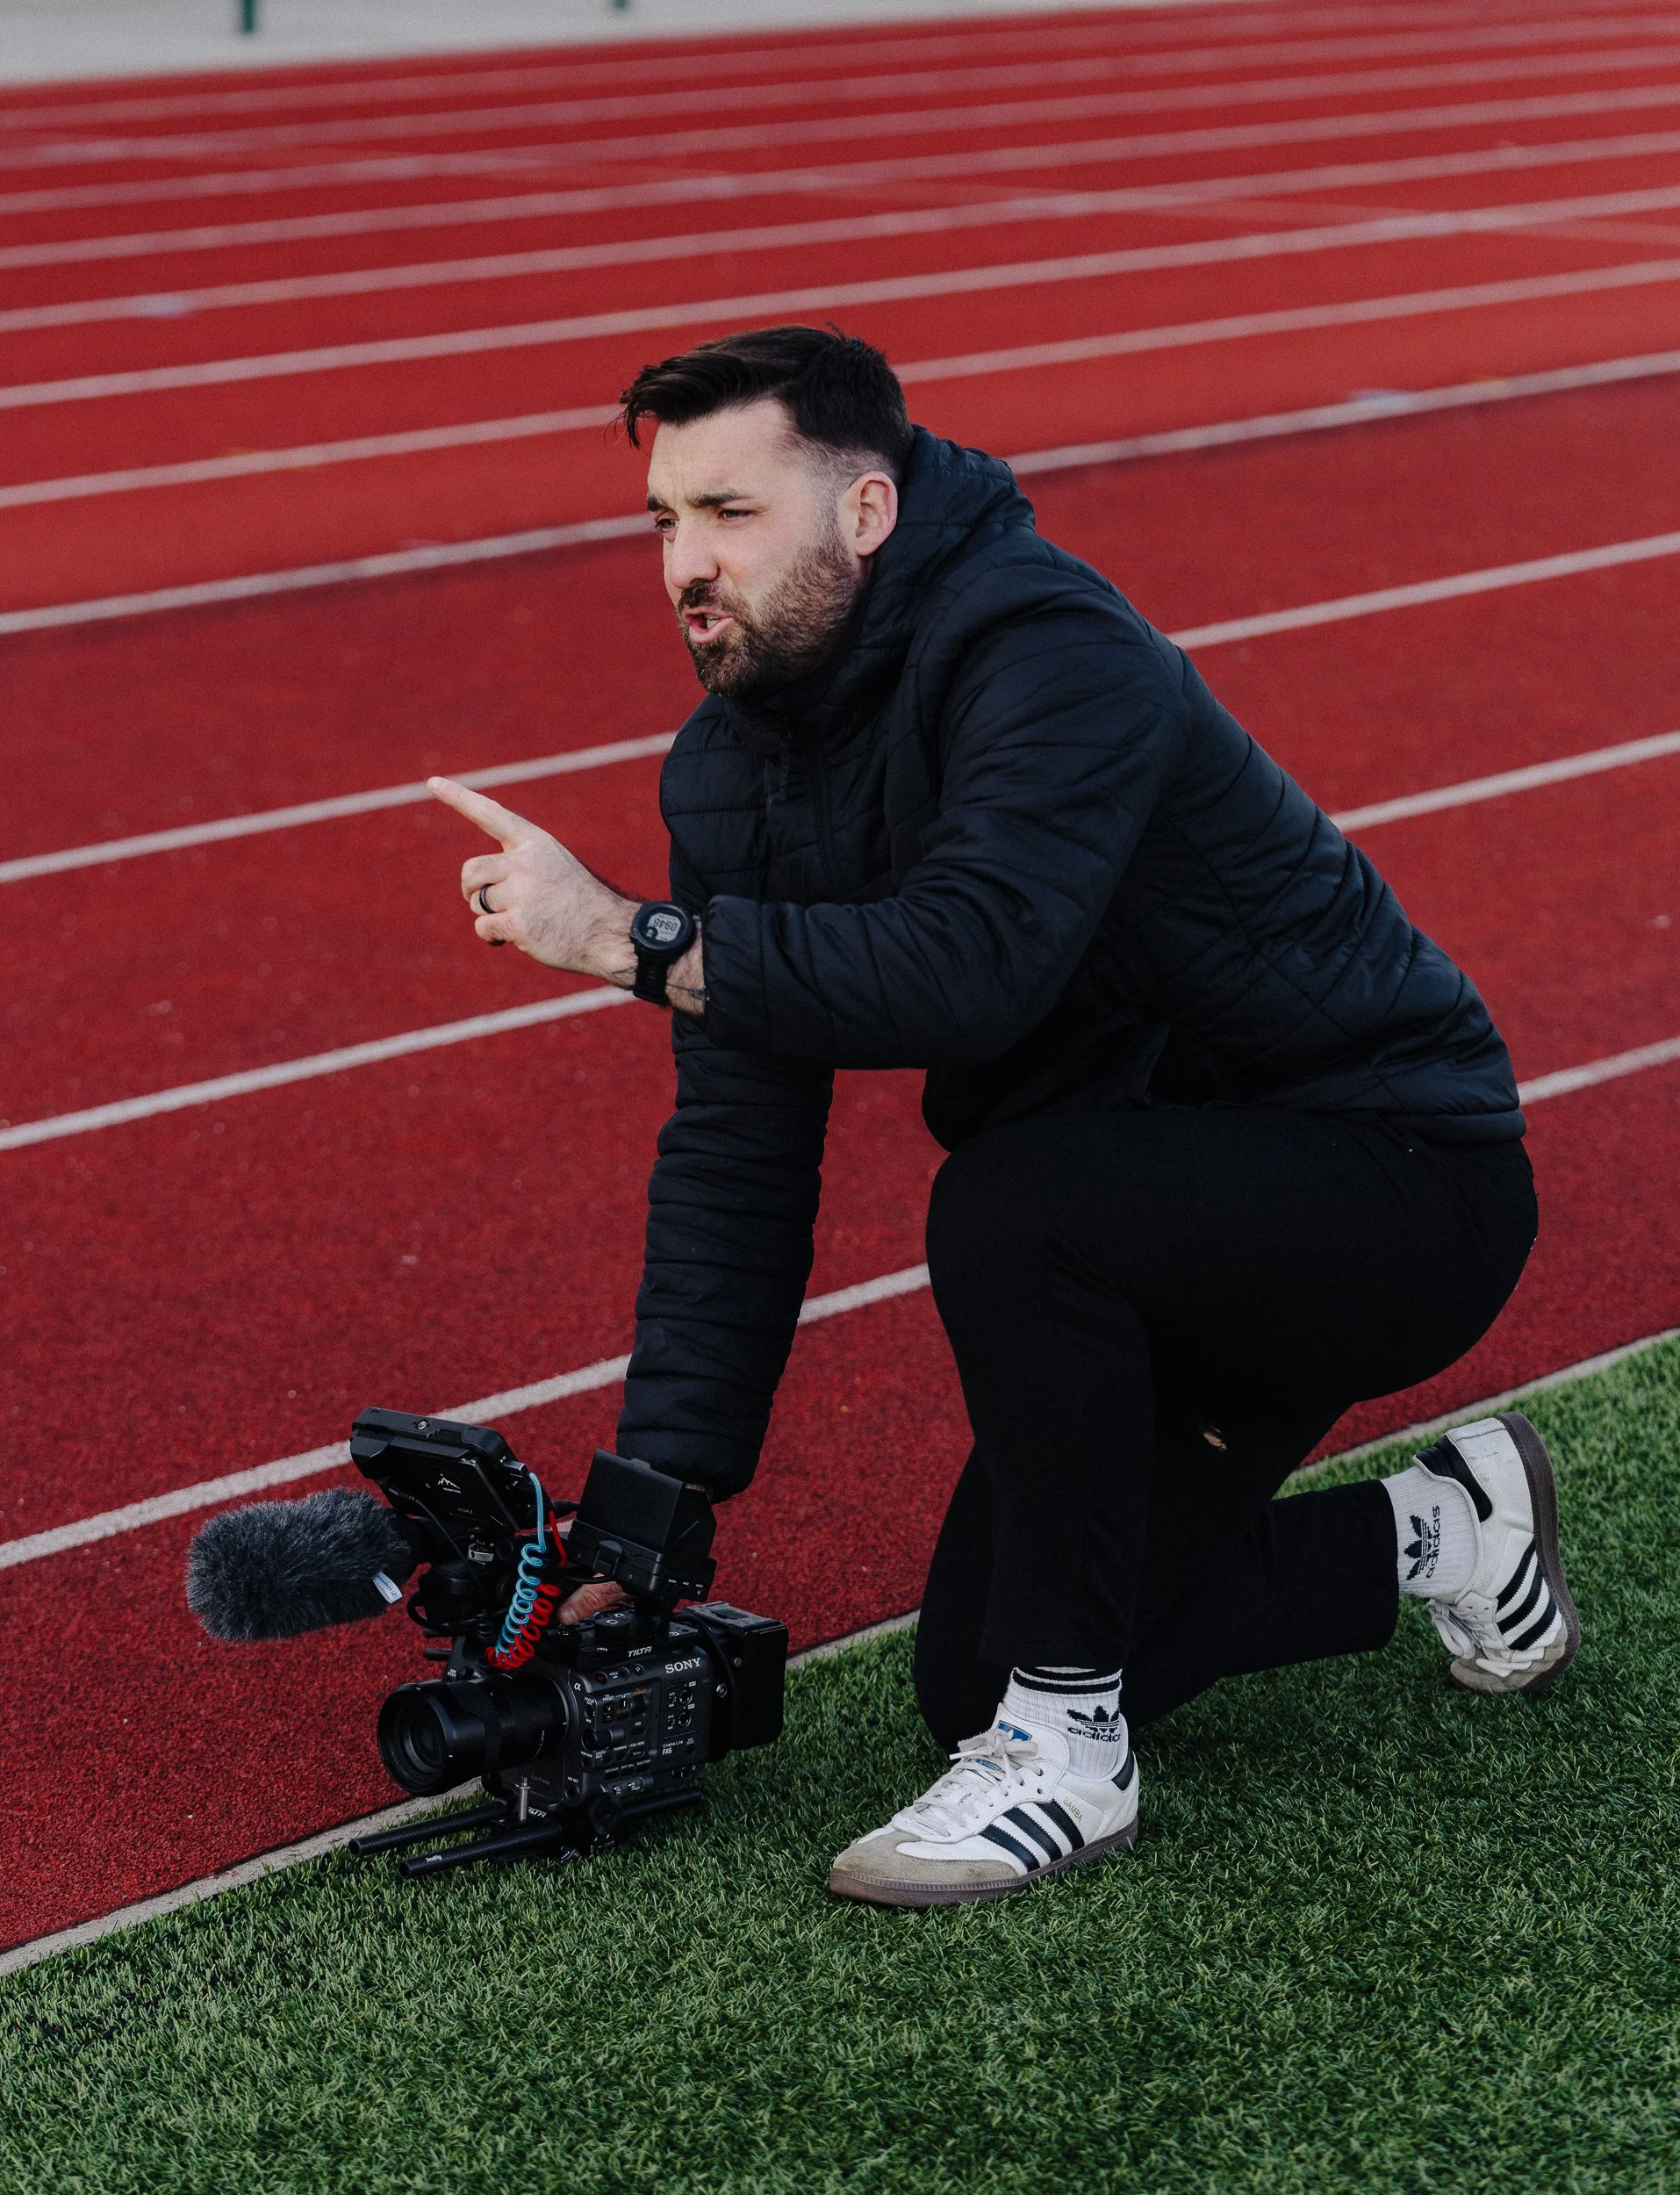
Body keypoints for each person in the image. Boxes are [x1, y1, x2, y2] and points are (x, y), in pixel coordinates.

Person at [428, 326, 1578, 1911]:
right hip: (1148, 1229)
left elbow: (971, 968)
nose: (687, 565)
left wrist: (634, 941)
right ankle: (1447, 1526)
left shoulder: (1049, 650)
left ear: (869, 513)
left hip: (1387, 1182)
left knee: (1009, 1206)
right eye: (664, 522)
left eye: (732, 516)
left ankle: (1074, 1758)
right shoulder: (731, 773)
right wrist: (656, 1512)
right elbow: (738, 1154)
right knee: (975, 1666)